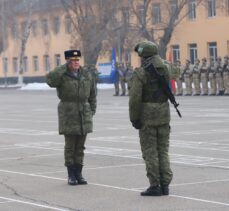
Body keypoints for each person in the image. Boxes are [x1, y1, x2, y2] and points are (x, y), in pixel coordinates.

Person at [46, 50, 97, 185]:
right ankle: (71, 175)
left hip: (84, 113)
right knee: (70, 147)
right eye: (73, 61)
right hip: (68, 113)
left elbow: (93, 95)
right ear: (68, 62)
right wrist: (63, 67)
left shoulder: (86, 74)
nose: (76, 63)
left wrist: (91, 111)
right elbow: (49, 80)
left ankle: (79, 173)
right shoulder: (62, 75)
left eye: (77, 60)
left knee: (80, 146)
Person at [129, 40, 173, 196]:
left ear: (143, 56)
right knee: (163, 150)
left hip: (147, 116)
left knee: (150, 151)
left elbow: (135, 98)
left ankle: (155, 185)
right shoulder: (166, 68)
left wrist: (134, 118)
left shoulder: (140, 72)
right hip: (163, 114)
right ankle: (165, 184)